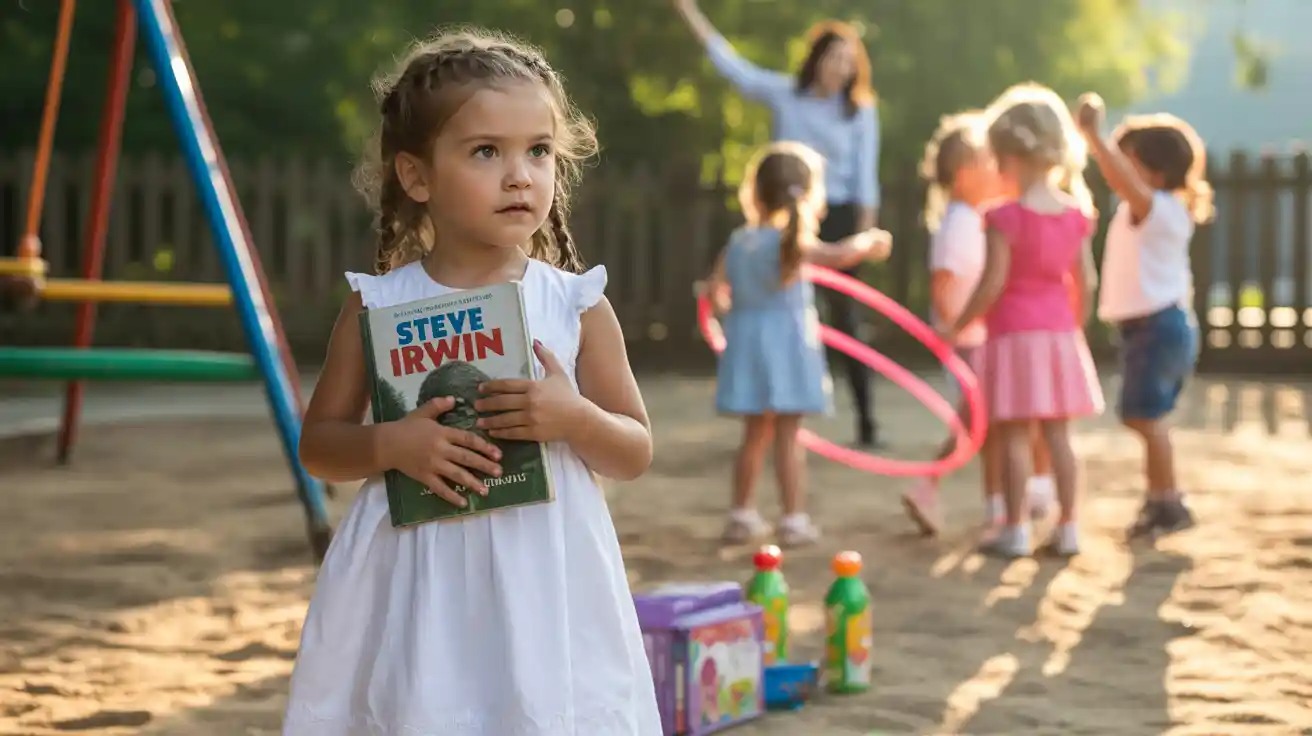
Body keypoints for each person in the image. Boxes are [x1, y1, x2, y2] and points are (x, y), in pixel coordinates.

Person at [281, 28, 661, 735]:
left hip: (544, 573)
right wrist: (393, 445)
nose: (521, 175)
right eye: (487, 151)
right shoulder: (378, 305)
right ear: (416, 176)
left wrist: (574, 419)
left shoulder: (576, 304)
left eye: (539, 152)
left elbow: (633, 451)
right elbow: (320, 446)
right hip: (415, 577)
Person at [673, 0, 885, 447]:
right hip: (784, 217)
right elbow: (733, 67)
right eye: (834, 59)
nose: (840, 69)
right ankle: (771, 410)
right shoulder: (785, 93)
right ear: (817, 60)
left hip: (839, 214)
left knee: (845, 319)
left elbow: (866, 176)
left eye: (849, 63)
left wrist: (865, 234)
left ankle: (866, 422)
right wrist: (687, 11)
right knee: (778, 312)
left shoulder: (860, 112)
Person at [943, 83, 1104, 559]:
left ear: (1008, 157)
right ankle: (1069, 527)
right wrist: (1074, 329)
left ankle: (1014, 529)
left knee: (1013, 433)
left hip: (1013, 336)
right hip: (1059, 335)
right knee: (1059, 436)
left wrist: (956, 325)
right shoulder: (1075, 215)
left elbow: (992, 283)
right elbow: (1085, 282)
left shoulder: (1004, 217)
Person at [704, 141, 891, 547]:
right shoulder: (792, 243)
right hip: (787, 349)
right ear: (808, 195)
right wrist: (869, 240)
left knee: (754, 435)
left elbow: (716, 292)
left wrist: (728, 313)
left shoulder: (739, 241)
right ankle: (793, 518)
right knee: (788, 436)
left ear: (756, 192)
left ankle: (741, 514)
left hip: (750, 347)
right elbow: (840, 255)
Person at [900, 111, 1056, 537]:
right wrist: (952, 327)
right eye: (989, 164)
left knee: (989, 427)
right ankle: (927, 485)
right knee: (977, 423)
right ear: (965, 175)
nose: (998, 171)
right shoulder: (959, 223)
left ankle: (994, 506)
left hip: (983, 336)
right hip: (971, 340)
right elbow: (944, 281)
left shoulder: (977, 218)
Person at [1075, 93, 1211, 539]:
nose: (1116, 170)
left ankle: (1167, 501)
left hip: (1158, 328)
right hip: (1154, 328)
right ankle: (1161, 499)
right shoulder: (1153, 210)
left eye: (1127, 160)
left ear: (1154, 171)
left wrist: (1094, 135)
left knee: (1145, 417)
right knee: (1145, 416)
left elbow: (1118, 178)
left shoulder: (1158, 209)